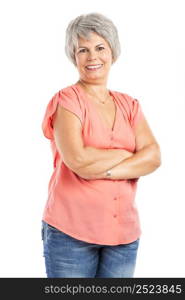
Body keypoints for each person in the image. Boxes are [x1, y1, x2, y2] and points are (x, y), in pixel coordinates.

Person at [41, 12, 161, 278]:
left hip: (124, 236)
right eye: (82, 49)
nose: (92, 57)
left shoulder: (129, 104)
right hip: (71, 235)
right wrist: (127, 155)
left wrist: (105, 169)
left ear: (113, 52)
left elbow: (153, 156)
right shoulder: (67, 101)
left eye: (99, 47)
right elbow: (78, 161)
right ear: (74, 56)